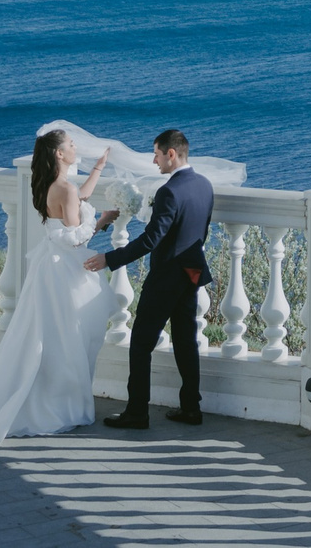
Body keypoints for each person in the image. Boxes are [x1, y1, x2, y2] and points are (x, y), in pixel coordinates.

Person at [0, 129, 122, 442]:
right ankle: (58, 406)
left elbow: (78, 199)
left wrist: (99, 167)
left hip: (50, 268)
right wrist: (101, 221)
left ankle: (47, 397)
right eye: (71, 144)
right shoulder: (66, 189)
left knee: (47, 337)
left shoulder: (49, 184)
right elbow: (76, 238)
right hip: (67, 272)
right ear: (59, 154)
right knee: (68, 340)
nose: (76, 147)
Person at [87, 127, 214, 428]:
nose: (154, 161)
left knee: (141, 343)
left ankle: (137, 412)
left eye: (156, 154)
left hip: (167, 276)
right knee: (186, 342)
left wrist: (110, 259)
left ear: (171, 153)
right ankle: (191, 408)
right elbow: (201, 230)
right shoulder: (205, 185)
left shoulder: (169, 192)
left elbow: (150, 240)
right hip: (191, 272)